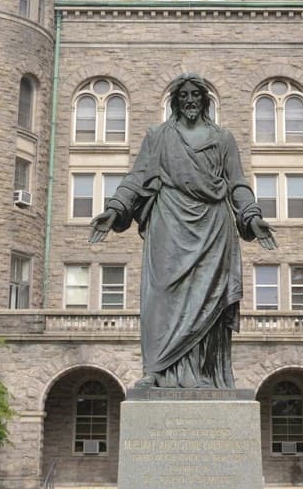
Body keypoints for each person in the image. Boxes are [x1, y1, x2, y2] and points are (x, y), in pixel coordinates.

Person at [89, 74, 275, 388]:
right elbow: (136, 178)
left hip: (213, 227)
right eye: (184, 95)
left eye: (195, 95)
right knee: (160, 295)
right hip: (168, 220)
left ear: (205, 100)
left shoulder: (223, 139)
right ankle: (159, 371)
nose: (190, 100)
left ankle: (205, 375)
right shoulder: (158, 136)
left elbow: (237, 184)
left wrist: (251, 215)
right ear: (175, 101)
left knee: (208, 303)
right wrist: (115, 208)